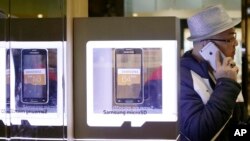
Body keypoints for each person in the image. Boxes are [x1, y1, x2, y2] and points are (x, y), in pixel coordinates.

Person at [179, 5, 248, 141]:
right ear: (207, 45)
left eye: (234, 37)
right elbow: (198, 133)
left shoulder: (225, 72)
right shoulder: (181, 77)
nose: (236, 43)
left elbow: (240, 124)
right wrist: (226, 85)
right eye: (229, 39)